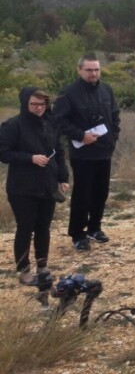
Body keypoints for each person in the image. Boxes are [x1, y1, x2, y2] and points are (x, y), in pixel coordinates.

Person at [0, 88, 69, 286]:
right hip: (22, 187)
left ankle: (42, 267)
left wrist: (63, 177)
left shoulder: (50, 122)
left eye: (42, 104)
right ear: (25, 104)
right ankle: (24, 271)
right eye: (34, 104)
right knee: (25, 227)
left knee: (43, 227)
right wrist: (29, 158)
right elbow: (3, 153)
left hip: (47, 183)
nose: (39, 108)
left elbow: (59, 151)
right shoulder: (13, 125)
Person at [52, 55, 120, 251]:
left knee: (101, 192)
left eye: (96, 70)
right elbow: (59, 121)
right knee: (83, 193)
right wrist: (81, 135)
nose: (93, 73)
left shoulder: (106, 89)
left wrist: (113, 137)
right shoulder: (68, 93)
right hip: (82, 153)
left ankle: (94, 228)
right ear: (79, 70)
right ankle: (77, 233)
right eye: (89, 70)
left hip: (104, 151)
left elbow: (115, 115)